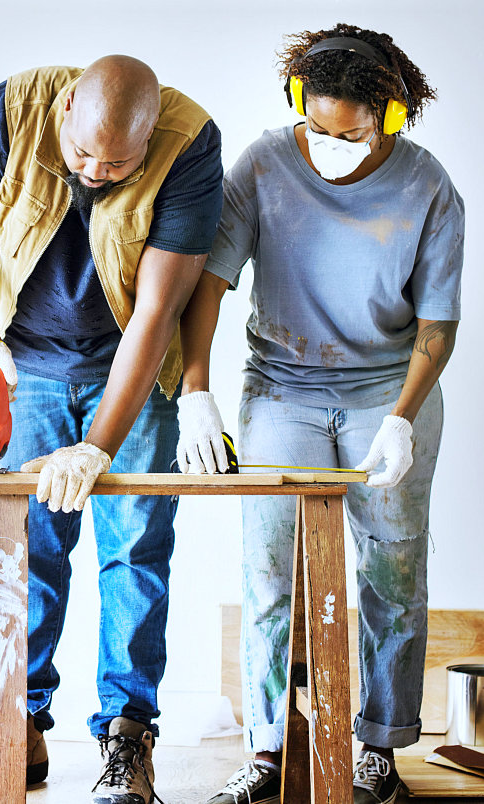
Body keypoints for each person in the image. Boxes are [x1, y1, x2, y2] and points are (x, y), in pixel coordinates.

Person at [0, 55, 223, 803]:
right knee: (26, 556)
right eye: (81, 152)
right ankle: (16, 729)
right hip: (31, 364)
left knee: (136, 554)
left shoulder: (190, 144)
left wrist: (98, 445)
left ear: (150, 139)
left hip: (135, 369)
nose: (93, 170)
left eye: (116, 161)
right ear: (62, 116)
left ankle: (127, 738)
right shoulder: (7, 114)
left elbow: (156, 311)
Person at [176, 23, 464, 804]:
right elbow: (209, 284)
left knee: (392, 573)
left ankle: (379, 751)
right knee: (269, 575)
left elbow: (438, 324)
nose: (332, 145)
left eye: (354, 133)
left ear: (392, 117)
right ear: (299, 103)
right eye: (319, 126)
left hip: (387, 395)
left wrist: (403, 417)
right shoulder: (264, 164)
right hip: (282, 390)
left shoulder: (428, 187)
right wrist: (194, 389)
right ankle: (268, 751)